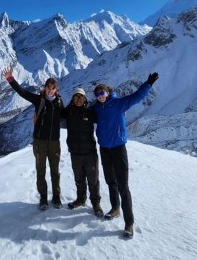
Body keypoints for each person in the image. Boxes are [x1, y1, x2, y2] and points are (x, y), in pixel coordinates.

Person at [92, 72, 159, 239]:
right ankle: (115, 208)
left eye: (103, 93)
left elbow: (137, 97)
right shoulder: (96, 108)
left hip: (118, 148)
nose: (100, 96)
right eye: (97, 94)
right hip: (104, 149)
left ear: (108, 92)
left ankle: (129, 223)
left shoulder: (119, 103)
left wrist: (148, 83)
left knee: (123, 185)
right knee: (110, 181)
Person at [2, 67, 64, 211]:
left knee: (55, 171)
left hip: (54, 142)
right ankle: (43, 198)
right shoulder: (38, 100)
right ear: (45, 88)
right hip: (39, 142)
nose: (50, 90)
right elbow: (22, 92)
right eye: (48, 87)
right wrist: (10, 79)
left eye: (52, 88)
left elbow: (67, 115)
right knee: (40, 170)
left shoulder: (59, 103)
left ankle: (56, 197)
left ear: (56, 89)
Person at [61, 88, 103, 217]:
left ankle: (96, 203)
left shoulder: (91, 112)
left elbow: (105, 115)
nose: (79, 99)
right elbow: (55, 111)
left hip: (90, 152)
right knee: (79, 179)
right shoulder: (68, 112)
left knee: (93, 180)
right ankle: (81, 199)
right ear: (73, 99)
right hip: (75, 153)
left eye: (81, 97)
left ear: (85, 99)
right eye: (76, 97)